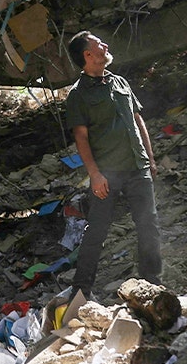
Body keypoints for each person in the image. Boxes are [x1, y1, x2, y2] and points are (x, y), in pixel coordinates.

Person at [64, 31, 162, 297]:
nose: (105, 46)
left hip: (137, 166)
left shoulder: (120, 82)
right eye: (98, 45)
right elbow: (81, 137)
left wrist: (150, 159)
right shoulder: (78, 95)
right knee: (97, 229)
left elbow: (137, 120)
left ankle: (151, 284)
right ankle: (82, 290)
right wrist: (94, 175)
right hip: (107, 173)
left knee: (148, 223)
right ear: (87, 55)